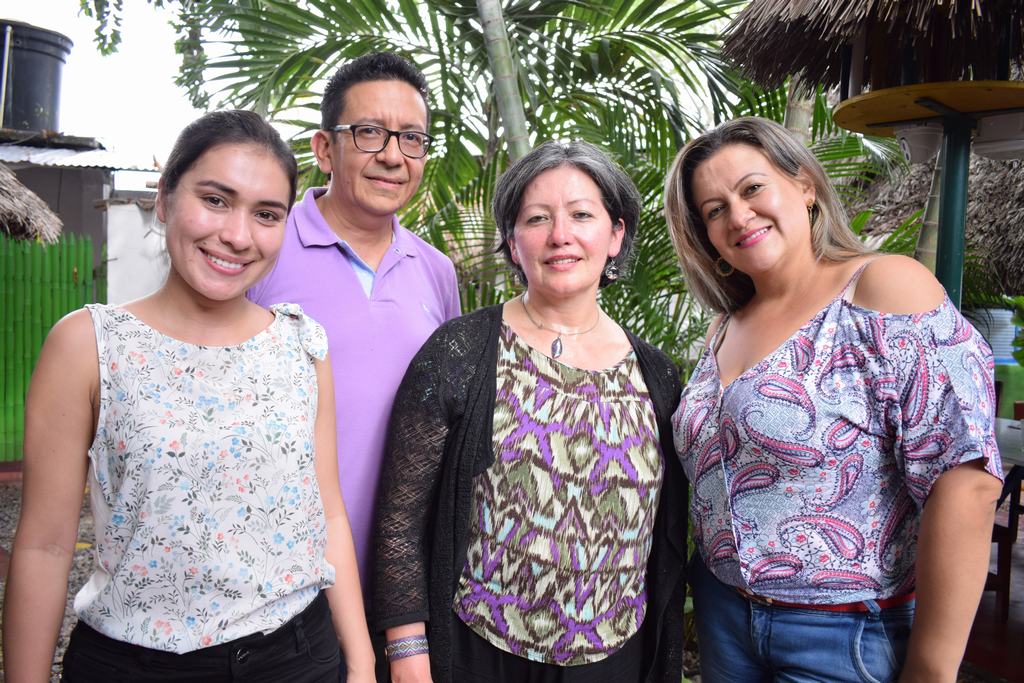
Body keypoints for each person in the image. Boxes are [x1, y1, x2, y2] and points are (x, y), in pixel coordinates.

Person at [3, 110, 374, 682]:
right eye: (216, 199)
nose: (237, 235)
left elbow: (327, 512)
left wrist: (364, 662)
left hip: (300, 658)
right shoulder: (90, 346)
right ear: (165, 196)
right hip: (138, 665)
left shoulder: (302, 345)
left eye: (266, 214)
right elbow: (45, 548)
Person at [663, 116, 1004, 683]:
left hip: (843, 633)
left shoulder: (882, 288)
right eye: (714, 209)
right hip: (724, 616)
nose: (738, 216)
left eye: (752, 188)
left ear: (805, 186)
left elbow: (964, 479)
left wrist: (931, 669)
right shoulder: (723, 326)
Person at [372, 141, 689, 683]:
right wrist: (407, 657)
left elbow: (665, 538)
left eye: (581, 215)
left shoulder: (657, 375)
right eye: (537, 218)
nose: (560, 236)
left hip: (615, 659)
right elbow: (400, 519)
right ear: (513, 243)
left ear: (615, 235)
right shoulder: (458, 351)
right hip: (479, 652)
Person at [248, 52, 461, 608]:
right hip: (282, 586)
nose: (393, 156)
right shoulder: (261, 249)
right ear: (324, 149)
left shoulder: (436, 271)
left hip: (403, 589)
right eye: (369, 133)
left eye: (411, 139)